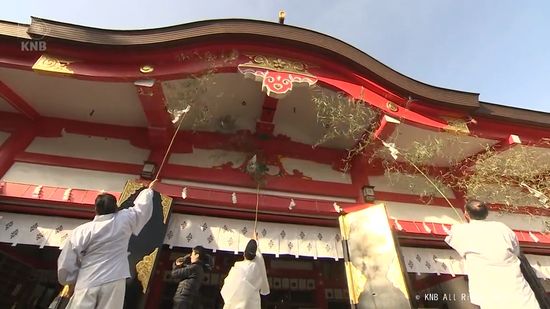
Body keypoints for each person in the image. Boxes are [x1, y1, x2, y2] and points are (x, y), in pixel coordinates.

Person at [57, 179, 158, 309]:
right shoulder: (124, 219)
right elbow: (141, 209)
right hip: (114, 278)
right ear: (116, 206)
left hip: (88, 278)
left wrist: (69, 280)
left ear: (95, 208)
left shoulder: (82, 231)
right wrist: (148, 191)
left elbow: (67, 259)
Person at [445, 199, 540, 309]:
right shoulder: (502, 228)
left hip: (489, 292)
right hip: (518, 288)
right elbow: (516, 251)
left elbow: (451, 238)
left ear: (466, 214)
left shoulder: (460, 230)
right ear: (487, 214)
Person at [221, 233, 270, 309]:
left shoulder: (238, 266)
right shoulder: (257, 265)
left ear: (244, 254)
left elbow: (227, 284)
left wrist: (254, 240)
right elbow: (259, 256)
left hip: (235, 303)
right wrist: (255, 241)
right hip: (252, 302)